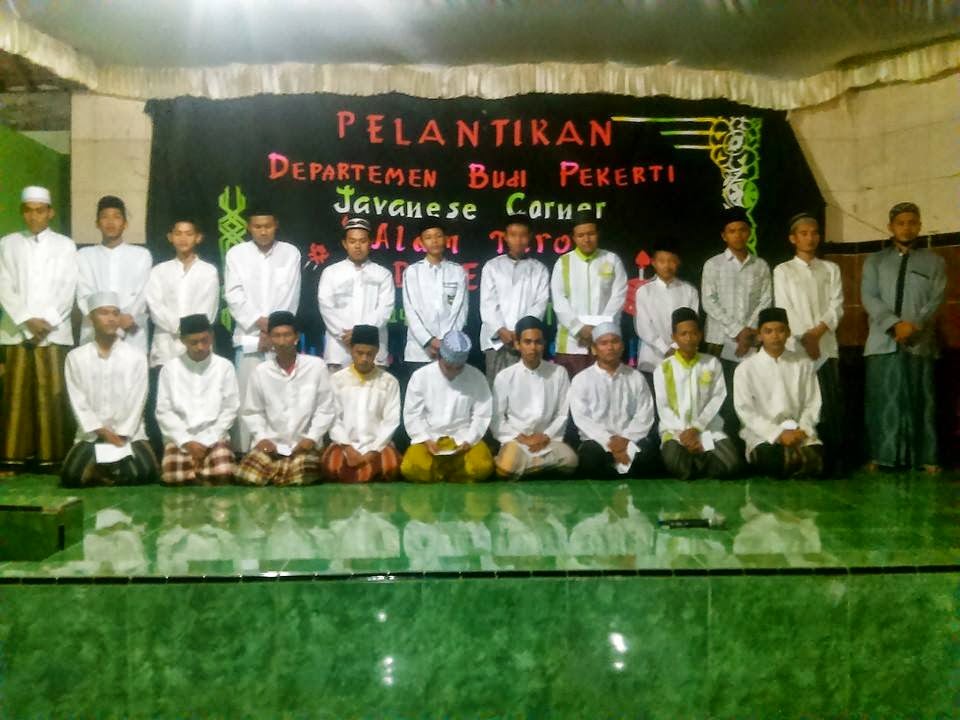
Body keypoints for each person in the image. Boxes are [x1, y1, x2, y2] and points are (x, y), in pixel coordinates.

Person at [861, 202, 946, 474]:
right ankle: (881, 456)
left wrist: (914, 325)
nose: (906, 228)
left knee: (921, 401)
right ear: (891, 227)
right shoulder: (875, 261)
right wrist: (894, 324)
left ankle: (926, 458)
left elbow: (936, 299)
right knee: (882, 401)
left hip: (919, 342)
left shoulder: (934, 262)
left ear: (919, 226)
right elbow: (869, 297)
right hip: (882, 341)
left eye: (912, 222)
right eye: (901, 223)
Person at [0, 185, 78, 470]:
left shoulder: (65, 245)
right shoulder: (7, 243)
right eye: (29, 211)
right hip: (16, 329)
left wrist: (46, 323)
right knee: (16, 396)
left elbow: (68, 288)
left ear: (50, 212)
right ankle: (13, 457)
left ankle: (51, 457)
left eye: (40, 211)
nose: (34, 216)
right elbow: (3, 285)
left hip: (53, 331)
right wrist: (26, 320)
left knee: (52, 394)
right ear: (23, 213)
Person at [61, 291, 158, 486]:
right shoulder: (76, 358)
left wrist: (120, 434)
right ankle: (112, 471)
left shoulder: (136, 357)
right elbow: (78, 402)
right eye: (104, 313)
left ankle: (103, 471)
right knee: (71, 476)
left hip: (128, 435)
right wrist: (103, 433)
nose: (111, 318)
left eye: (115, 313)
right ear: (91, 318)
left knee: (145, 472)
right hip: (92, 435)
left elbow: (137, 402)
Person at [773, 213, 845, 471]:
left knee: (828, 403)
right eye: (804, 233)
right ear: (793, 238)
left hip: (825, 344)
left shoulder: (830, 269)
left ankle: (832, 460)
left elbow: (837, 305)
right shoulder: (783, 270)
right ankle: (801, 457)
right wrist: (805, 337)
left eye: (814, 233)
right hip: (796, 346)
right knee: (800, 402)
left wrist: (817, 333)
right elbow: (785, 309)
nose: (810, 238)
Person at [224, 207, 301, 449]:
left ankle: (282, 450)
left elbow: (292, 293)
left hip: (281, 339)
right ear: (249, 227)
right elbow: (233, 294)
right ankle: (245, 451)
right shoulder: (236, 254)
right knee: (248, 398)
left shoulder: (290, 253)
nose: (263, 231)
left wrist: (276, 330)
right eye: (257, 227)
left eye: (267, 226)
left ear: (276, 224)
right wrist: (259, 323)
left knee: (281, 399)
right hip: (249, 337)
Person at [144, 218, 220, 455]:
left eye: (189, 233)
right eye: (178, 233)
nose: (183, 238)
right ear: (170, 237)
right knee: (166, 402)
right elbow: (155, 306)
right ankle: (169, 452)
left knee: (198, 400)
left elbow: (208, 310)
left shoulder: (208, 271)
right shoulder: (159, 271)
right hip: (165, 346)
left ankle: (201, 450)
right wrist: (181, 329)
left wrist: (190, 334)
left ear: (198, 238)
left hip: (198, 347)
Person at [235, 311, 336, 486]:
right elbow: (252, 412)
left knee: (302, 473)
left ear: (296, 337)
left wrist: (311, 438)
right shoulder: (261, 372)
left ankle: (277, 472)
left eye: (287, 335)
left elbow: (325, 409)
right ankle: (282, 471)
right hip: (271, 445)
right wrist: (262, 438)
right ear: (270, 338)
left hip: (304, 445)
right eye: (276, 336)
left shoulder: (316, 367)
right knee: (246, 475)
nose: (282, 342)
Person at [700, 206, 772, 441]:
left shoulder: (760, 266)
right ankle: (724, 444)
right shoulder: (713, 265)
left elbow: (765, 300)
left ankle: (752, 444)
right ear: (724, 235)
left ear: (749, 232)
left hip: (751, 342)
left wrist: (748, 332)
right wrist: (738, 331)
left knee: (751, 395)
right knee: (722, 395)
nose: (738, 235)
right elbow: (709, 302)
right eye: (732, 231)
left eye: (742, 230)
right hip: (720, 342)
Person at [733, 307, 823, 478]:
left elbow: (812, 403)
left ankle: (794, 461)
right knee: (772, 461)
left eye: (780, 330)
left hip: (798, 431)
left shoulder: (803, 363)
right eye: (768, 331)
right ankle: (794, 462)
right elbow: (745, 411)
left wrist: (803, 429)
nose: (775, 336)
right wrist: (778, 434)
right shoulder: (746, 369)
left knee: (823, 458)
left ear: (788, 333)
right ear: (760, 335)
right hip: (763, 434)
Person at [653, 307, 740, 480]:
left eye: (693, 333)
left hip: (706, 428)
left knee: (731, 463)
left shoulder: (712, 363)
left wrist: (697, 428)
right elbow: (663, 407)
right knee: (675, 461)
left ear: (700, 335)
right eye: (683, 334)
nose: (689, 338)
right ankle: (701, 460)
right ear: (674, 337)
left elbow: (717, 397)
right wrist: (685, 433)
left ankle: (697, 461)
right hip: (676, 432)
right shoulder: (663, 368)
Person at [155, 314, 239, 485]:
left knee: (223, 472)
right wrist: (186, 441)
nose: (200, 347)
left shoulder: (224, 367)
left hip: (215, 436)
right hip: (181, 438)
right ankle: (199, 471)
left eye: (204, 340)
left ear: (212, 336)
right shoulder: (170, 369)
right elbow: (164, 411)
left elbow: (230, 408)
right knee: (173, 477)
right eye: (194, 342)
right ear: (182, 341)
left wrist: (208, 440)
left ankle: (198, 471)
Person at [401, 330, 494, 483]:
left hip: (464, 439)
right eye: (449, 367)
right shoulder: (420, 376)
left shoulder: (476, 377)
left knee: (482, 466)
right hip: (430, 438)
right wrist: (426, 440)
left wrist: (469, 440)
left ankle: (442, 472)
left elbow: (482, 414)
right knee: (410, 467)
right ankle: (454, 473)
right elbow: (412, 415)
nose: (454, 372)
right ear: (440, 357)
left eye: (459, 368)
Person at [491, 316, 577, 479]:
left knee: (571, 460)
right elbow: (497, 419)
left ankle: (526, 468)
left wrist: (545, 436)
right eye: (527, 342)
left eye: (538, 342)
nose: (533, 348)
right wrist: (521, 438)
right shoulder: (505, 376)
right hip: (517, 441)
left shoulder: (558, 373)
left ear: (544, 344)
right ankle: (540, 467)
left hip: (548, 441)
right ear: (518, 344)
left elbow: (562, 414)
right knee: (507, 465)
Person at [569, 322, 658, 477]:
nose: (610, 347)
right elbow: (582, 419)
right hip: (597, 441)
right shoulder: (581, 379)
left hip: (631, 440)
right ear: (594, 349)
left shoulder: (636, 377)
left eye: (615, 342)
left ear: (622, 346)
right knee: (590, 459)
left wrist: (626, 440)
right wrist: (609, 441)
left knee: (648, 456)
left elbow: (644, 414)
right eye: (603, 343)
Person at [550, 210, 627, 377]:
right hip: (571, 345)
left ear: (598, 234)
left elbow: (618, 297)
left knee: (607, 390)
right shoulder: (563, 262)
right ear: (573, 237)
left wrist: (600, 330)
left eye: (591, 234)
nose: (586, 239)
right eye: (581, 235)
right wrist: (579, 329)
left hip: (606, 343)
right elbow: (559, 301)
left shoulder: (612, 260)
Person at [323, 324, 403, 483]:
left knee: (391, 466)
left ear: (377, 351)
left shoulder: (389, 382)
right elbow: (333, 419)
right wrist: (348, 449)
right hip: (345, 445)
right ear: (351, 350)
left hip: (378, 446)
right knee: (332, 466)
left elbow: (391, 421)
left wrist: (372, 452)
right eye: (359, 353)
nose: (364, 359)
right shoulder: (337, 380)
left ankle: (362, 470)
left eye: (369, 354)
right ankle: (367, 471)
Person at [76, 196, 152, 354]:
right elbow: (84, 295)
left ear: (125, 223)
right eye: (105, 217)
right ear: (97, 223)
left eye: (116, 217)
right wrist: (106, 322)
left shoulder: (141, 255)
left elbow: (142, 294)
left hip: (131, 331)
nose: (110, 222)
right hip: (95, 332)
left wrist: (123, 320)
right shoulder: (84, 255)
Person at [479, 213, 550, 383]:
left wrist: (521, 332)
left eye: (523, 235)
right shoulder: (492, 266)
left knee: (527, 389)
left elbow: (540, 304)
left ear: (530, 237)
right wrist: (501, 330)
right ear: (505, 237)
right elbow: (488, 303)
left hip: (527, 341)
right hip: (497, 341)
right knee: (497, 388)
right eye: (513, 235)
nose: (518, 240)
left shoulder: (539, 269)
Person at [317, 217, 394, 372]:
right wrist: (344, 334)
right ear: (345, 244)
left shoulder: (383, 274)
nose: (357, 246)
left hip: (373, 348)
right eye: (352, 241)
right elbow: (326, 307)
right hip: (339, 348)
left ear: (370, 242)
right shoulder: (331, 272)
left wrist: (361, 334)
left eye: (362, 241)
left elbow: (385, 309)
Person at [401, 220, 468, 367]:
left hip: (450, 349)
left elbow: (460, 311)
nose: (434, 241)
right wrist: (429, 341)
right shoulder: (412, 272)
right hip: (419, 351)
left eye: (438, 236)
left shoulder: (457, 271)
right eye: (428, 237)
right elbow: (410, 311)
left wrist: (446, 341)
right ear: (421, 242)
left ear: (446, 239)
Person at [633, 240, 700, 382]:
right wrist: (665, 349)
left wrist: (676, 347)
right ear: (653, 262)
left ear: (678, 262)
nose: (667, 266)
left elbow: (692, 325)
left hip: (683, 354)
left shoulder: (689, 291)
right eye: (662, 261)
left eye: (672, 261)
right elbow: (644, 327)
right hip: (652, 359)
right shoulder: (644, 291)